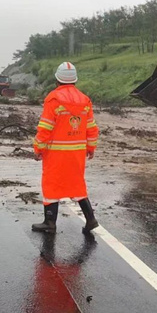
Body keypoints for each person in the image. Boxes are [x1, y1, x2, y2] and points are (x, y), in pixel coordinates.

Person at [31, 62, 99, 234]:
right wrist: (91, 147)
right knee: (77, 184)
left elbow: (45, 127)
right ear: (75, 80)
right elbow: (91, 127)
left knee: (51, 184)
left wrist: (38, 148)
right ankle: (90, 219)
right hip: (76, 153)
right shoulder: (85, 100)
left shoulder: (53, 99)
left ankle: (50, 222)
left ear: (57, 79)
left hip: (56, 153)